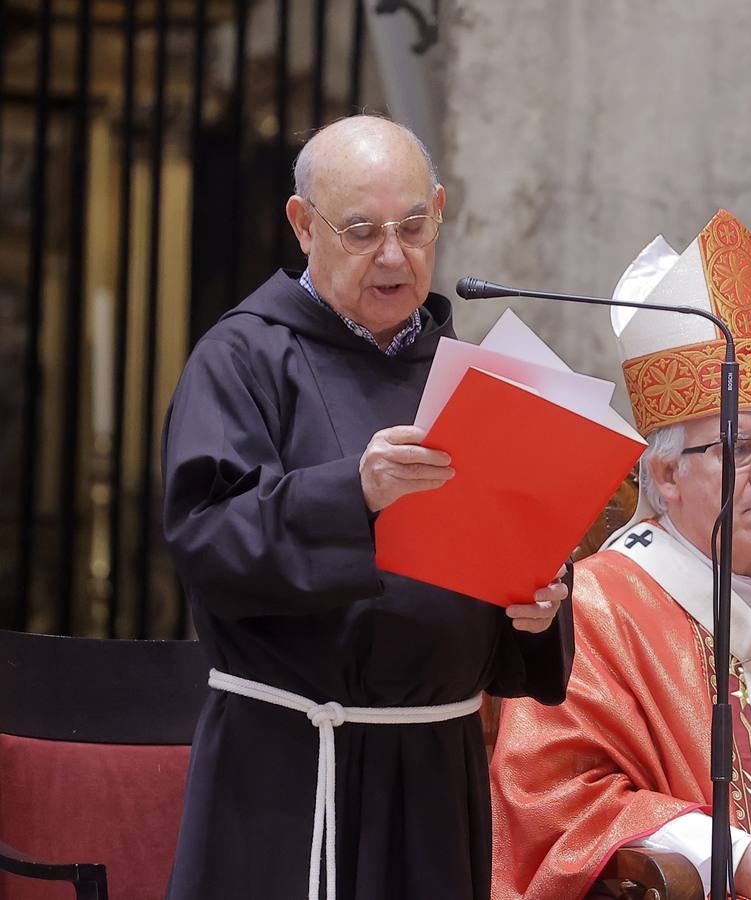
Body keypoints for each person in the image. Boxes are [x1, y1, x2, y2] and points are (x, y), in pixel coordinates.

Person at [160, 114, 573, 900]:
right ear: (302, 225)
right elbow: (203, 538)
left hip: (434, 768)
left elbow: (516, 554)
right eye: (361, 231)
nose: (394, 254)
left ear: (441, 211)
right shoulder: (242, 357)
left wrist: (541, 600)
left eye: (413, 227)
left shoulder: (479, 383)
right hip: (288, 766)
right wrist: (353, 492)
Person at [490, 210, 751, 900]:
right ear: (664, 477)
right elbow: (551, 798)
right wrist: (725, 857)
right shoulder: (595, 607)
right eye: (736, 448)